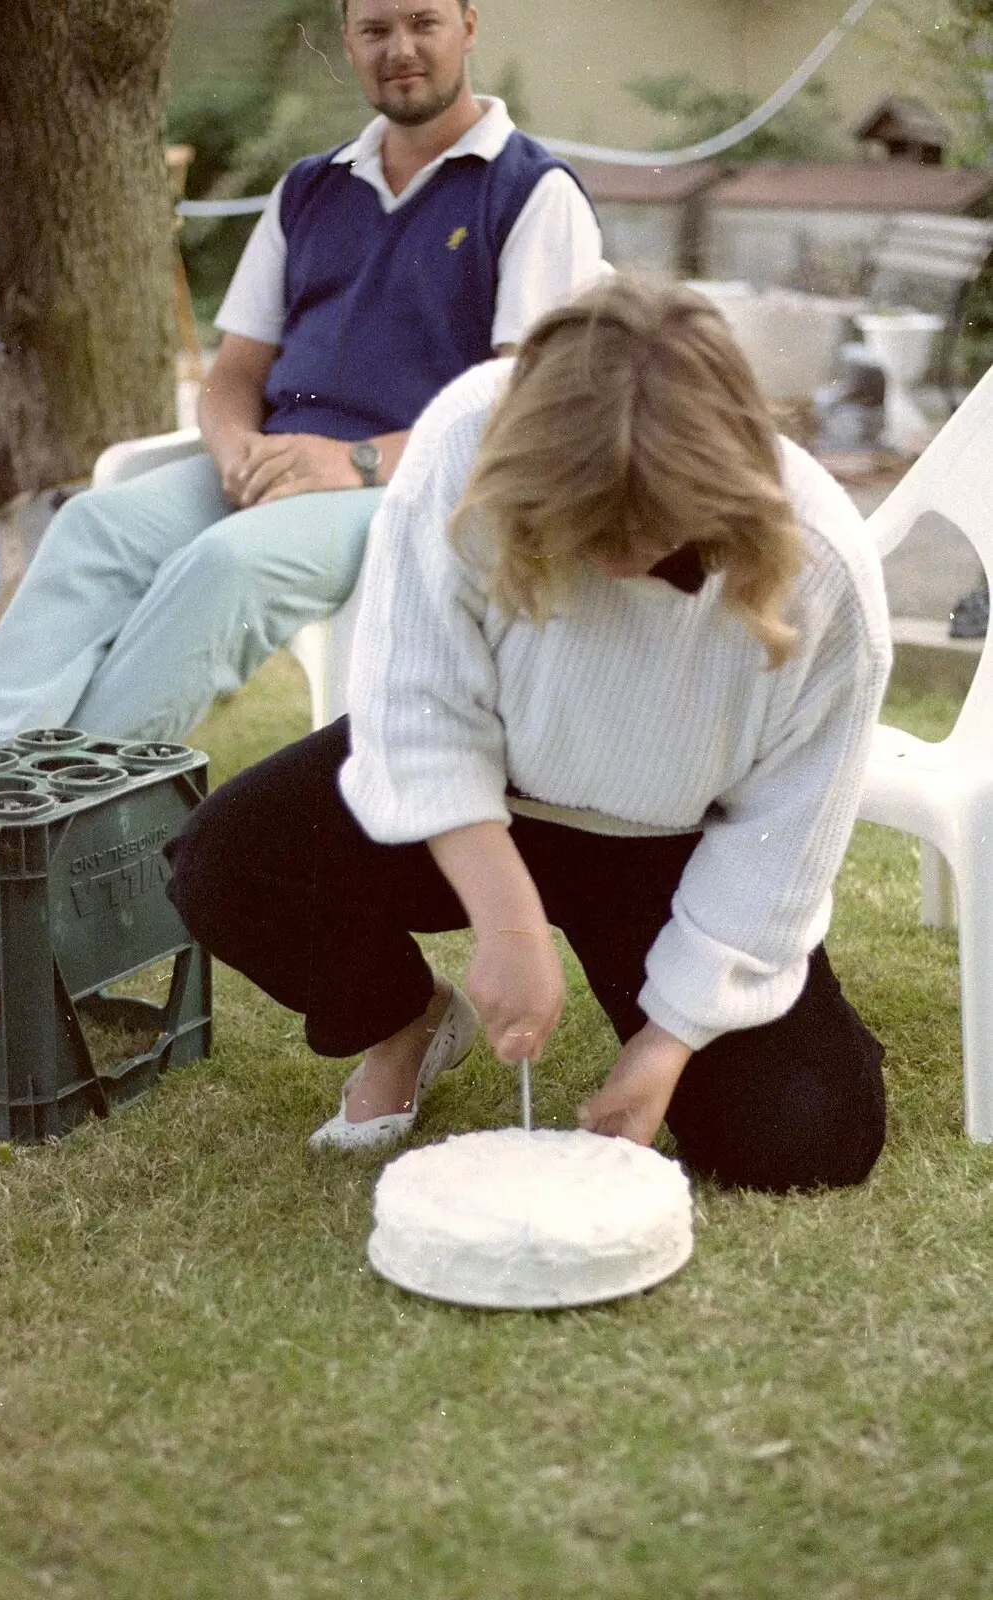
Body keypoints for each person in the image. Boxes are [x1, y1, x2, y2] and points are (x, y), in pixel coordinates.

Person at [166, 276, 893, 1194]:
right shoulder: (467, 437)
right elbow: (414, 704)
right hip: (480, 800)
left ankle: (753, 1026)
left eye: (639, 530)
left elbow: (784, 838)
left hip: (665, 843)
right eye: (577, 529)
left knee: (804, 1139)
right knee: (230, 864)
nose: (604, 562)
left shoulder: (823, 565)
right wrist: (505, 920)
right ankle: (407, 1020)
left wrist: (667, 1043)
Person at [0, 0, 602, 747]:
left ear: (467, 27)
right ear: (346, 41)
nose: (398, 48)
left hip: (416, 488)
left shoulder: (530, 190)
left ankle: (79, 822)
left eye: (422, 23)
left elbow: (522, 405)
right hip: (277, 464)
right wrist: (235, 443)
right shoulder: (310, 187)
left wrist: (352, 461)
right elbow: (235, 367)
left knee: (225, 563)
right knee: (90, 527)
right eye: (374, 30)